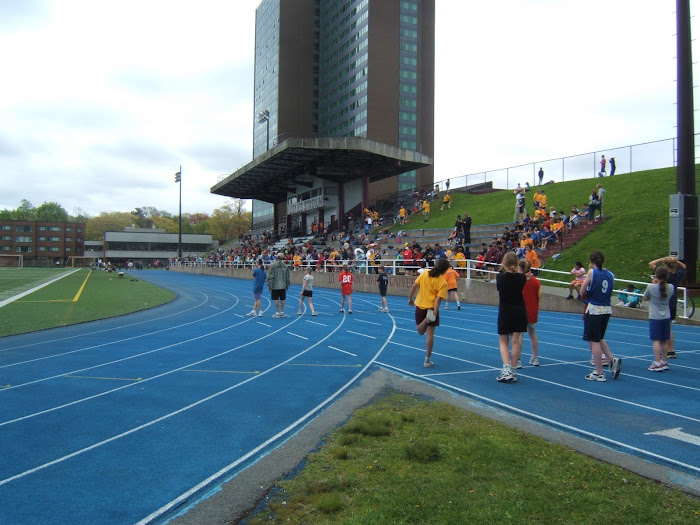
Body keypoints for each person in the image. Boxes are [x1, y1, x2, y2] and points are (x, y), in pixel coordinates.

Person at [581, 250, 621, 381]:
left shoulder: (592, 272)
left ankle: (599, 371)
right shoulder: (610, 274)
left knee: (594, 340)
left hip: (594, 308)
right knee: (599, 337)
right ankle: (611, 360)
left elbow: (583, 289)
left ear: (591, 261)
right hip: (606, 308)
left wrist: (586, 293)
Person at [408, 258, 450, 368]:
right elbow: (438, 299)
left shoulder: (425, 273)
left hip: (420, 305)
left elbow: (414, 285)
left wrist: (410, 298)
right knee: (430, 334)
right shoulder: (443, 282)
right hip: (431, 308)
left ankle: (425, 321)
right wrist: (434, 313)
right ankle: (427, 360)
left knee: (420, 331)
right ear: (445, 270)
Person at [496, 252, 527, 382]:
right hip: (519, 311)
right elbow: (520, 276)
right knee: (516, 341)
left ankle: (507, 368)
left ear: (504, 262)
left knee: (503, 341)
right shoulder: (522, 278)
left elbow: (500, 286)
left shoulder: (501, 277)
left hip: (506, 311)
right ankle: (513, 369)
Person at [648, 256, 687, 358]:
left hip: (663, 299)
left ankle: (665, 351)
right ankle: (671, 349)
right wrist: (675, 261)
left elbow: (651, 263)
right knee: (669, 326)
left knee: (663, 329)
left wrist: (662, 259)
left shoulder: (664, 274)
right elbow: (684, 266)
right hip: (673, 299)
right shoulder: (677, 274)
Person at [643, 266, 674, 372]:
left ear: (656, 276)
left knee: (656, 340)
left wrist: (653, 284)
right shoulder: (671, 287)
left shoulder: (651, 287)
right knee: (664, 340)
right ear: (667, 276)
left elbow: (645, 298)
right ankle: (664, 361)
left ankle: (657, 362)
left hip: (655, 317)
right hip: (666, 316)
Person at [517, 259, 541, 366]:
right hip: (533, 310)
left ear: (521, 268)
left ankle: (517, 360)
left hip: (522, 310)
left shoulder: (520, 281)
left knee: (519, 335)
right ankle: (535, 358)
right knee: (532, 334)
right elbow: (539, 296)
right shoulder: (536, 282)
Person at [267, 252, 290, 318]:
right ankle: (282, 312)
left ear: (277, 257)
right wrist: (287, 285)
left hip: (275, 284)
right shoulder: (285, 266)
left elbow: (270, 276)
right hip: (283, 284)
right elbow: (287, 276)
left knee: (276, 298)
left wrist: (269, 284)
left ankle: (277, 312)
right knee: (283, 298)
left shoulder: (273, 266)